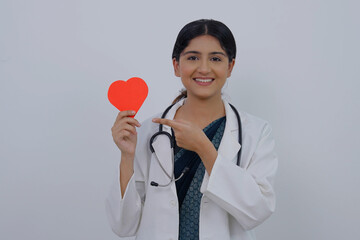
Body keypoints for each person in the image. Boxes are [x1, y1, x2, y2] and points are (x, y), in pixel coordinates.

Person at [106, 19, 278, 240]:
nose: (204, 68)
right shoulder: (148, 130)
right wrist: (126, 157)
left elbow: (258, 211)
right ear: (177, 65)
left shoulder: (257, 132)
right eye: (193, 58)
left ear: (230, 67)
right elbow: (123, 226)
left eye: (215, 58)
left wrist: (204, 149)